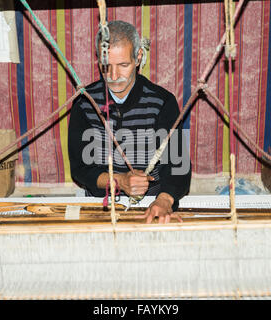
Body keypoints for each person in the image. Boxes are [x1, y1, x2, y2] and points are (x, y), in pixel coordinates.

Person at [68, 20, 191, 224]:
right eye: (106, 66)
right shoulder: (84, 103)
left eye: (123, 65)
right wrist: (119, 181)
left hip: (152, 204)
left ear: (138, 57)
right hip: (102, 206)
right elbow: (81, 169)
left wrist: (164, 200)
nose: (114, 76)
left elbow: (178, 165)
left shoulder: (162, 102)